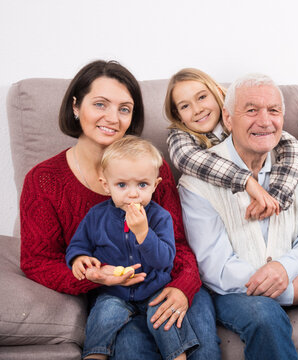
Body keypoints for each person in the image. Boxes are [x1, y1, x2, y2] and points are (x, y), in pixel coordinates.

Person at [19, 60, 221, 359]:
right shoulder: (44, 181)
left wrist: (183, 286)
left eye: (124, 109)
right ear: (76, 106)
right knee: (130, 348)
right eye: (100, 104)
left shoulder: (152, 169)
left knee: (198, 347)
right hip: (113, 295)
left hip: (166, 281)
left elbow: (177, 244)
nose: (112, 118)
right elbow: (37, 260)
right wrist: (91, 276)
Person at [179, 73, 298, 360]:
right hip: (233, 292)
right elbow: (215, 267)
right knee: (264, 315)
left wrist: (284, 268)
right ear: (228, 118)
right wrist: (285, 292)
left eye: (273, 111)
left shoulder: (294, 168)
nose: (265, 120)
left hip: (293, 272)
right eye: (251, 110)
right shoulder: (196, 181)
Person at [66, 136, 196, 360]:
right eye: (122, 185)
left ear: (155, 185)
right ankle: (94, 356)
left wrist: (144, 233)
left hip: (154, 288)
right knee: (103, 314)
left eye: (142, 185)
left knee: (165, 316)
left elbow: (165, 260)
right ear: (106, 185)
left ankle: (178, 355)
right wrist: (79, 259)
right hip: (114, 292)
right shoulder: (96, 217)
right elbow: (79, 245)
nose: (133, 193)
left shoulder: (160, 217)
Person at [165, 68, 298, 218]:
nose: (197, 109)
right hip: (216, 205)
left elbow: (295, 149)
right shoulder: (179, 136)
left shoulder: (240, 118)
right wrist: (247, 181)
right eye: (185, 106)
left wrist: (276, 196)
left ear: (218, 92)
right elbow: (186, 157)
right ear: (178, 115)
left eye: (201, 97)